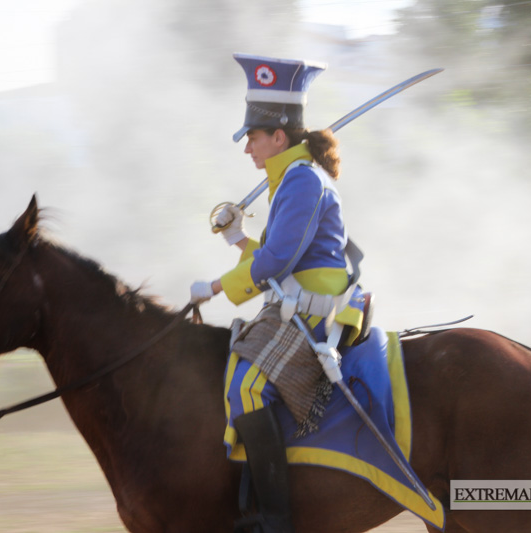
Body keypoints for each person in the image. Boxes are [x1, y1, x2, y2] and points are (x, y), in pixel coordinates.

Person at [189, 54, 366, 533]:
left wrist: (215, 288)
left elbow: (275, 264)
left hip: (314, 313)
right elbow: (269, 255)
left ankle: (277, 521)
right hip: (293, 303)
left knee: (246, 390)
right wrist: (236, 239)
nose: (248, 147)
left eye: (253, 136)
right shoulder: (291, 181)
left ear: (278, 137)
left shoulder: (303, 181)